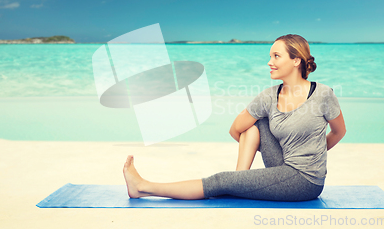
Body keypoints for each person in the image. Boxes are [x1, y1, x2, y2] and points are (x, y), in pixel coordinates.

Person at [123, 34, 346, 201]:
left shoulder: (323, 94)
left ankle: (142, 187)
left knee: (220, 181)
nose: (270, 62)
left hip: (306, 181)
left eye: (276, 56)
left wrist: (314, 153)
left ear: (296, 61)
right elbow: (236, 130)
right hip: (281, 164)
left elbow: (339, 131)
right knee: (255, 124)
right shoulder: (268, 97)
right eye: (270, 56)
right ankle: (239, 179)